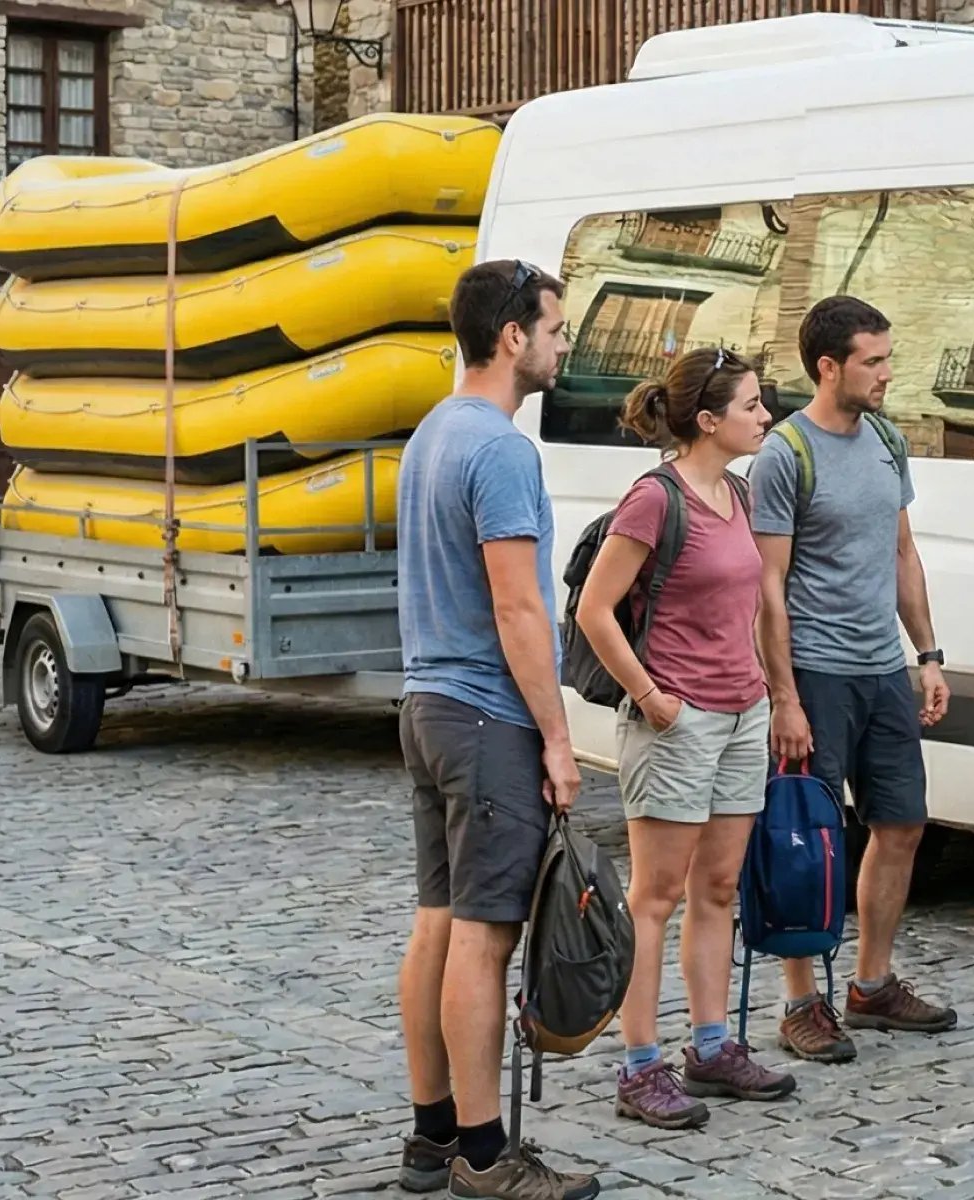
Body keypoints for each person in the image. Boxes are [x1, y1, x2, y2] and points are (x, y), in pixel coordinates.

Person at [393, 259, 599, 1200]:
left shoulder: (433, 432)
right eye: (555, 329)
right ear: (513, 335)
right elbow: (521, 611)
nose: (564, 345)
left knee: (438, 922)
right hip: (484, 713)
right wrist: (556, 739)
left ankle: (432, 1136)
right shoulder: (503, 449)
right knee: (484, 937)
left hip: (426, 706)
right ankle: (484, 1154)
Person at [575, 346, 798, 1129]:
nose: (765, 415)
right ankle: (640, 1068)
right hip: (678, 722)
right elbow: (594, 611)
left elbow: (761, 605)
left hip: (741, 716)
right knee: (655, 897)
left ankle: (710, 1048)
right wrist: (650, 696)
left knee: (717, 890)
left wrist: (773, 695)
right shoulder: (653, 500)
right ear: (708, 421)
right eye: (751, 405)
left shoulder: (737, 494)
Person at [748, 295, 956, 1065]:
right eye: (872, 360)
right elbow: (767, 585)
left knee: (901, 824)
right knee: (805, 836)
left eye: (887, 357)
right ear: (828, 366)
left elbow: (903, 555)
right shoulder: (785, 454)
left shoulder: (887, 441)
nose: (886, 373)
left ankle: (870, 983)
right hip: (816, 673)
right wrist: (785, 697)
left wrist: (927, 655)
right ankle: (799, 999)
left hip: (881, 670)